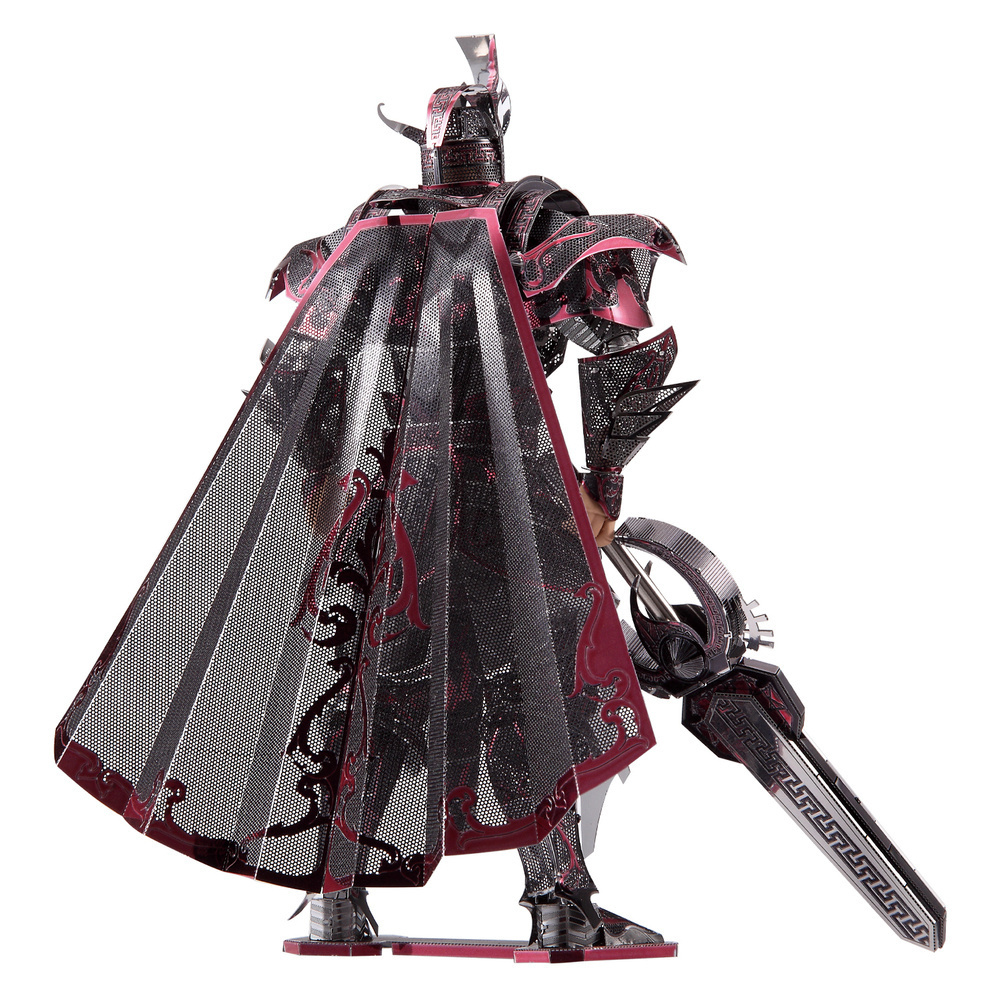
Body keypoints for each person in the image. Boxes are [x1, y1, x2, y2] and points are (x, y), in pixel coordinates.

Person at [55, 35, 692, 954]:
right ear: (500, 130)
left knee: (382, 688)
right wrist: (603, 484)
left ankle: (339, 898)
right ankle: (560, 901)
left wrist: (328, 487)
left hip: (386, 494)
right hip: (498, 492)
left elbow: (295, 374)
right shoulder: (532, 222)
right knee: (531, 688)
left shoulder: (369, 230)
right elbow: (626, 352)